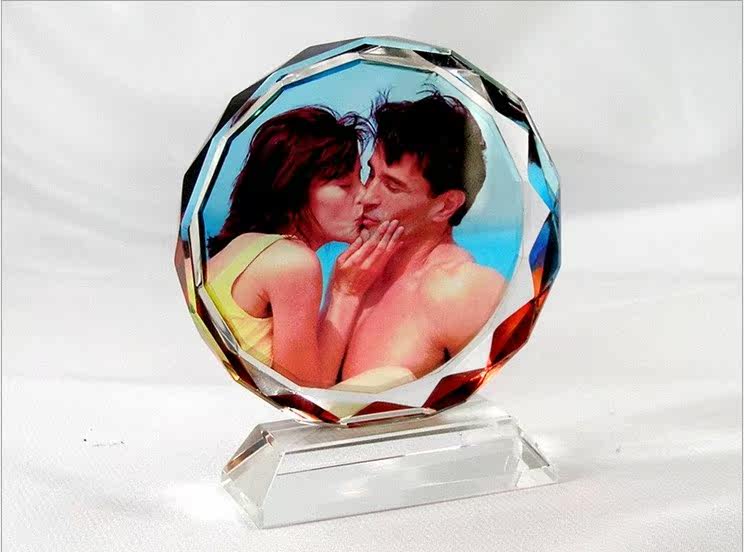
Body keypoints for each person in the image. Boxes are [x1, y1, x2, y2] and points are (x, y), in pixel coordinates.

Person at [204, 106, 403, 389]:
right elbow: (304, 396)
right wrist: (346, 293)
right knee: (395, 378)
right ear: (293, 191)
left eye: (360, 178)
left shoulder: (243, 245)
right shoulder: (293, 262)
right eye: (344, 184)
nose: (365, 196)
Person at [335, 92, 507, 392]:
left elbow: (505, 396)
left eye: (392, 186)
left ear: (445, 205)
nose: (367, 196)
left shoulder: (464, 289)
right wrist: (342, 292)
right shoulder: (356, 272)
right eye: (371, 173)